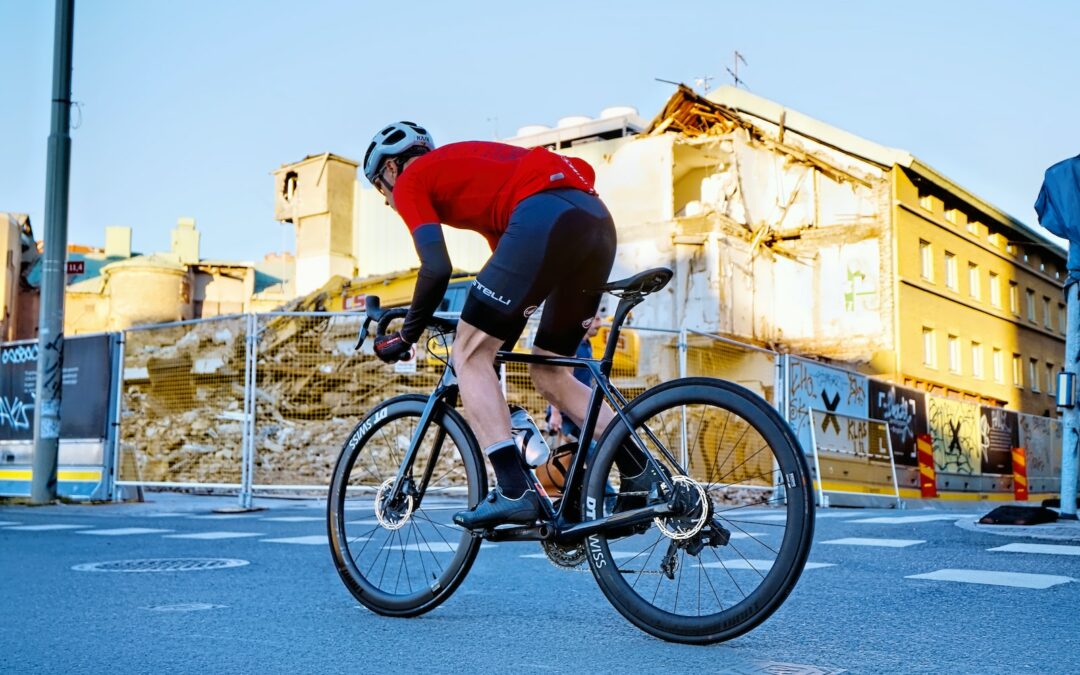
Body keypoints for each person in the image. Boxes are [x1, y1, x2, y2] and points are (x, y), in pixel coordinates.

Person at [363, 121, 654, 529]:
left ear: (391, 169)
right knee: (551, 371)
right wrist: (478, 329)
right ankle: (641, 474)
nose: (389, 202)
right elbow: (510, 289)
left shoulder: (413, 179)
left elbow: (436, 268)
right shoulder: (476, 182)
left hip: (544, 215)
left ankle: (514, 490)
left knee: (467, 355)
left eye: (380, 190)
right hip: (593, 221)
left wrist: (407, 334)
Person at [546, 309, 603, 442]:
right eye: (596, 318)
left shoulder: (586, 345)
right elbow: (556, 380)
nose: (600, 322)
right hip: (566, 414)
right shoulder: (573, 347)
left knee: (587, 451)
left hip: (580, 410)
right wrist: (555, 413)